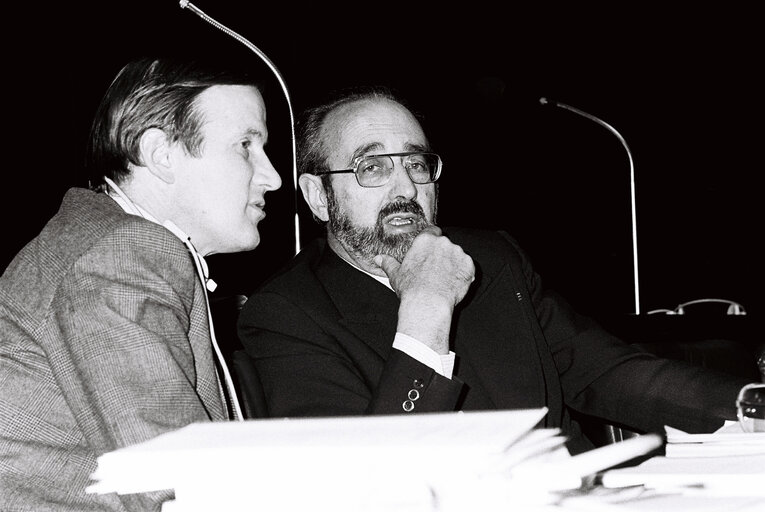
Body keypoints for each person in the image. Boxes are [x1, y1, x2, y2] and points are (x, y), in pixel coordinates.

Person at [237, 85, 751, 455]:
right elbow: (373, 477)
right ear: (317, 196)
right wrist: (427, 304)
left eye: (416, 164)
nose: (405, 189)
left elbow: (608, 373)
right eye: (373, 167)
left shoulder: (493, 258)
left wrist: (751, 405)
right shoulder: (287, 314)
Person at [0, 56, 281, 511]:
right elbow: (181, 489)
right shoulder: (121, 253)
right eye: (246, 145)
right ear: (161, 154)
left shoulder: (99, 241)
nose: (272, 176)